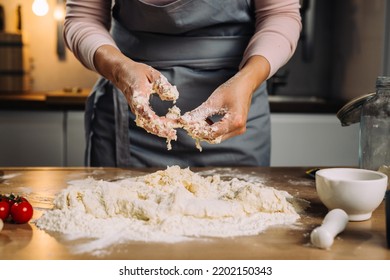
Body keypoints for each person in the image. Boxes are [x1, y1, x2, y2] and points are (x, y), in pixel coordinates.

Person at [64, 0, 301, 167]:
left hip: (233, 118)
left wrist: (247, 79)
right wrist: (119, 69)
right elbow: (84, 18)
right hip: (132, 125)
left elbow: (280, 15)